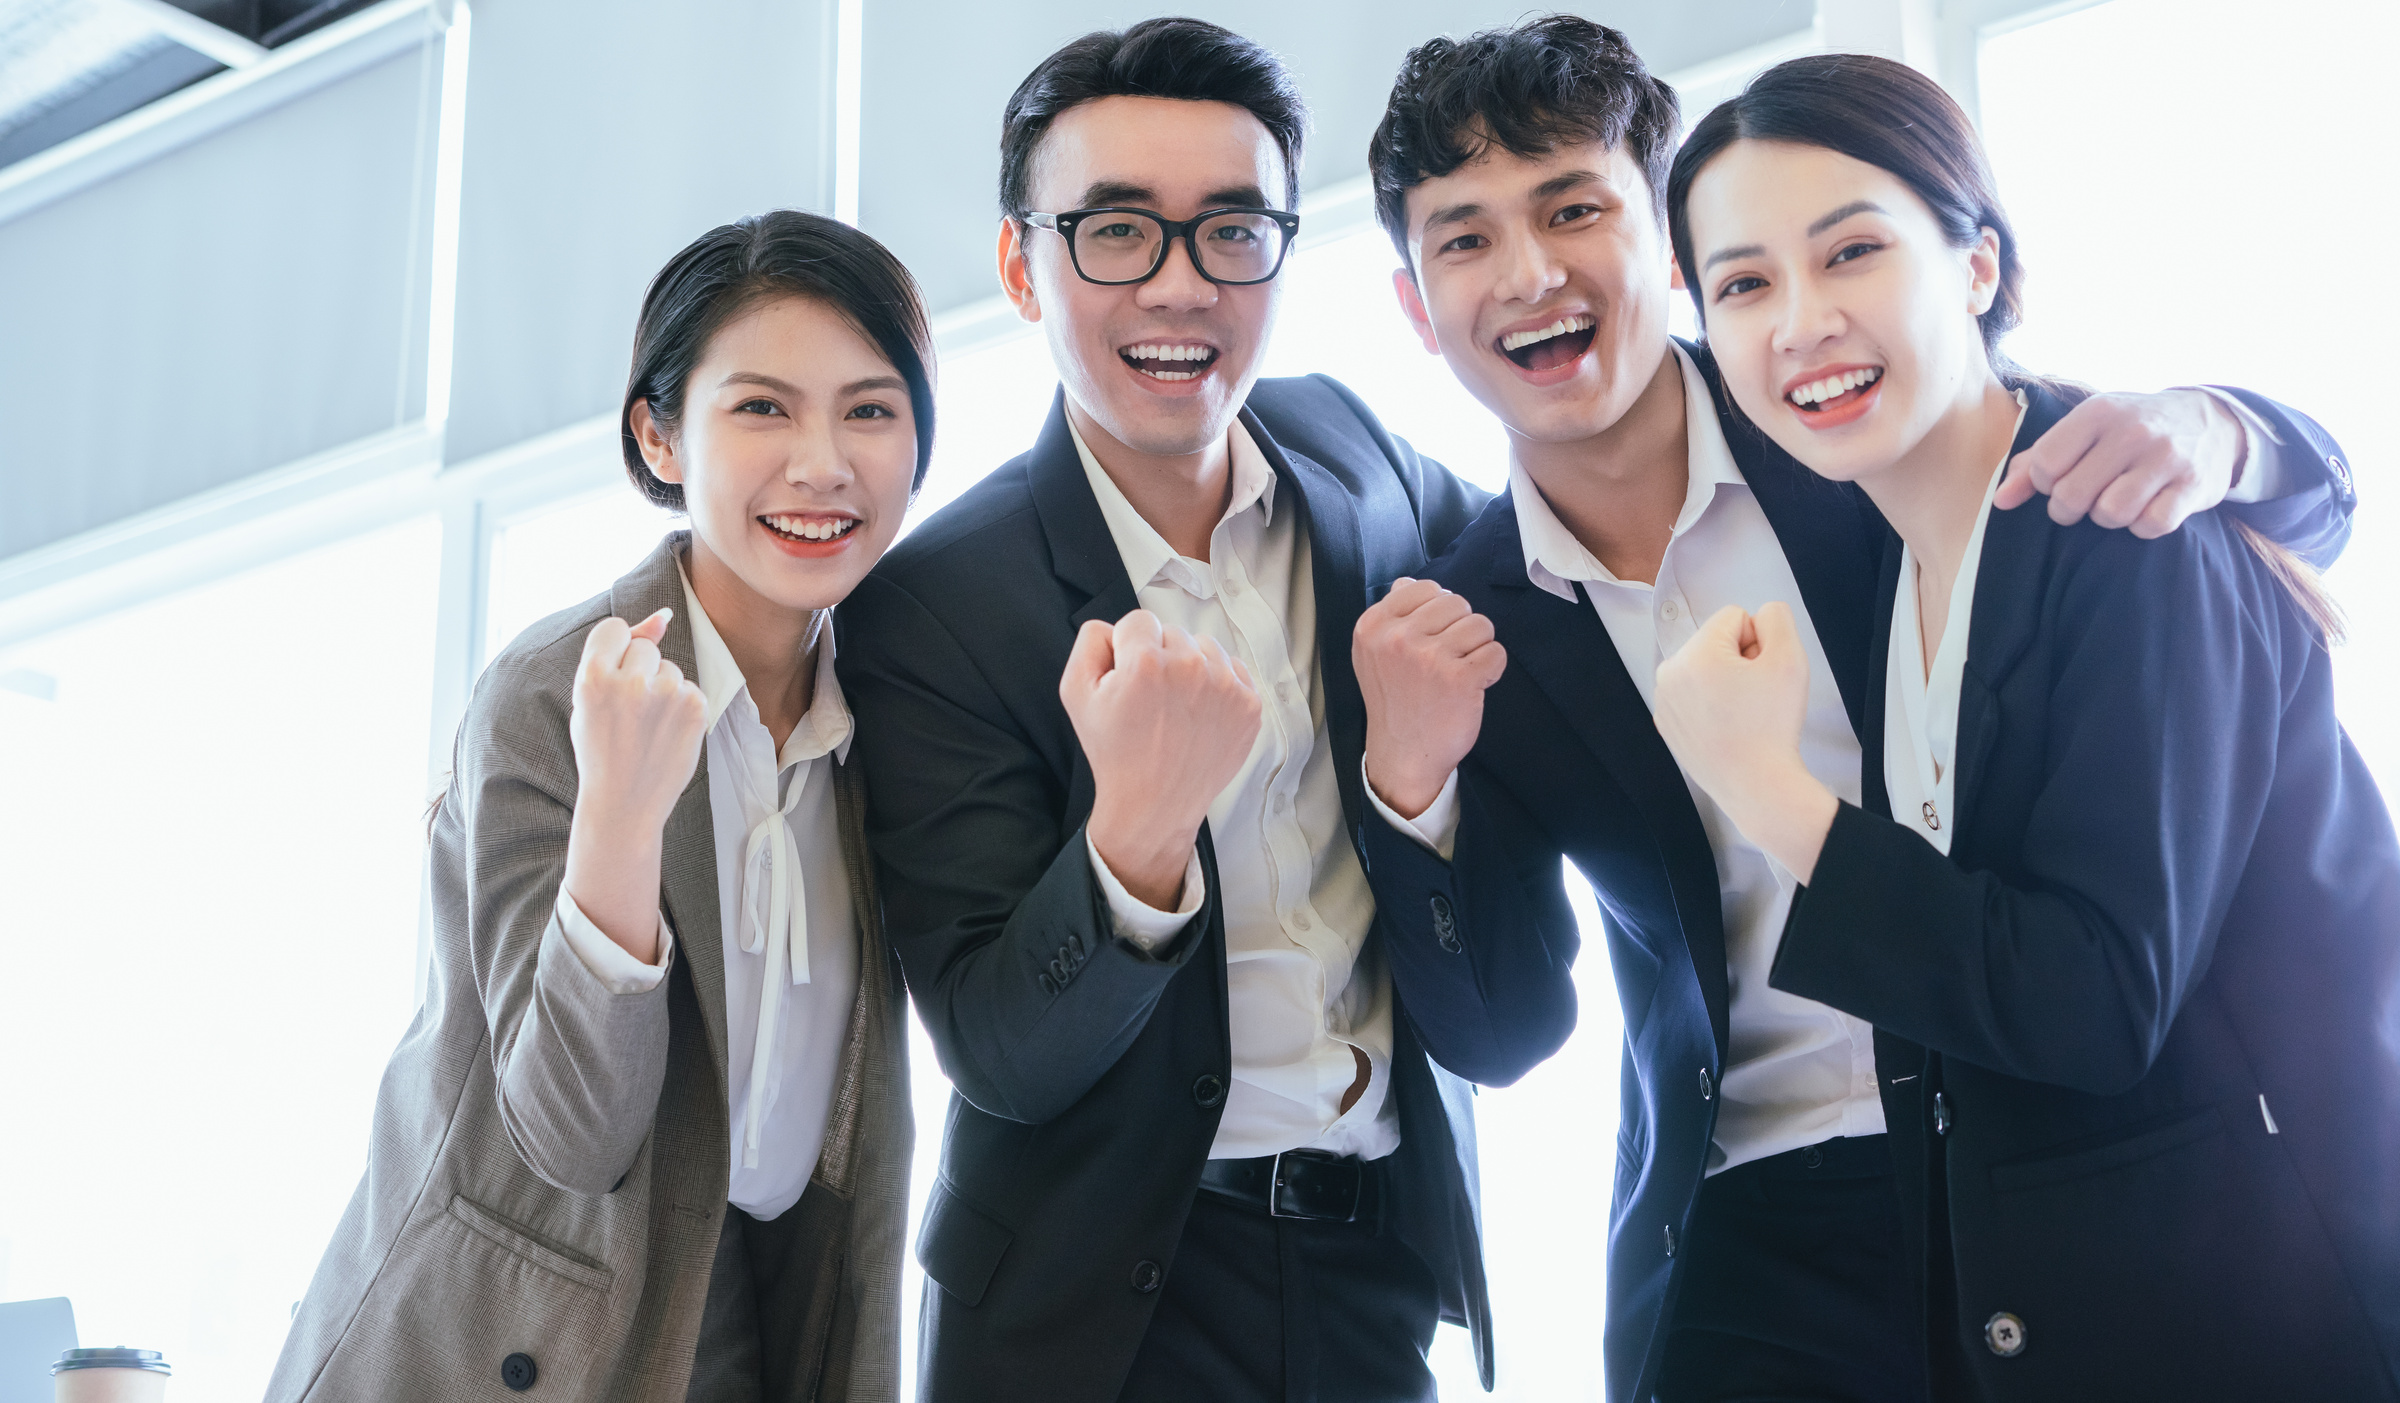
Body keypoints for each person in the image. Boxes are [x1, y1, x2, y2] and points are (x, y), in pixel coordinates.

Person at [1340, 17, 2362, 1402]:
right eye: (1463, 238)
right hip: (1754, 1194)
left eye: (1575, 206)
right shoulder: (1466, 620)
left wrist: (2227, 427)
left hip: (2041, 1124)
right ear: (1415, 302)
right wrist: (1411, 786)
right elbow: (1509, 1031)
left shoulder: (1852, 422)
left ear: (1665, 243)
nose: (1531, 273)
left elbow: (2140, 520)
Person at [1643, 53, 2398, 1399]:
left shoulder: (2134, 532)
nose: (1800, 321)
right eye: (1743, 284)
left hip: (2277, 1308)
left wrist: (1773, 795)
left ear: (1978, 265)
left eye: (1852, 252)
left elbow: (2095, 999)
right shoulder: (1884, 566)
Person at [837, 18, 1491, 1403]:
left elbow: (1563, 565)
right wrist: (1134, 841)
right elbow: (1000, 1050)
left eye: (1232, 231)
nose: (1182, 287)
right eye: (1117, 233)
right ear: (1023, 264)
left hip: (1375, 1264)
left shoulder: (1350, 450)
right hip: (1095, 1310)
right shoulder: (931, 605)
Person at [268, 210, 927, 1403]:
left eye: (870, 409)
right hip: (502, 1344)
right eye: (762, 407)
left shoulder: (891, 717)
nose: (824, 462)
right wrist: (621, 818)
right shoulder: (555, 692)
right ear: (662, 436)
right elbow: (571, 1131)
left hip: (746, 1323)